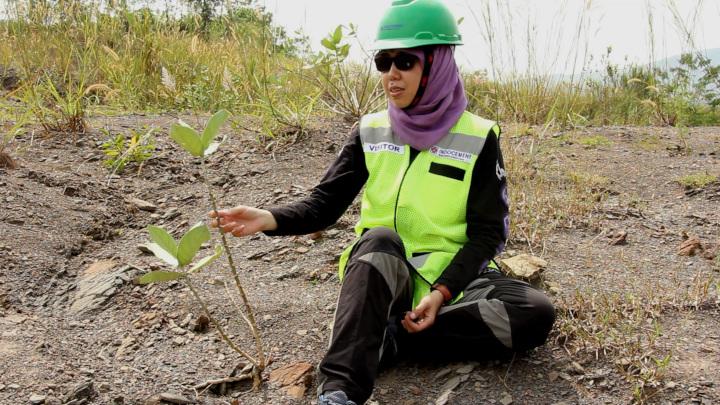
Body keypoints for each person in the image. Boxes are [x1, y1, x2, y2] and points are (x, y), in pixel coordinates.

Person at [209, 1, 556, 404]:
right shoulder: (370, 129)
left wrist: (441, 292)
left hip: (450, 279)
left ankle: (388, 337)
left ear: (436, 64)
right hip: (380, 273)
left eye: (405, 61)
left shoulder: (478, 136)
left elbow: (488, 233)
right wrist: (269, 217)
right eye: (383, 61)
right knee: (379, 237)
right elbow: (325, 203)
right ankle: (339, 391)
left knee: (533, 312)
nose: (391, 74)